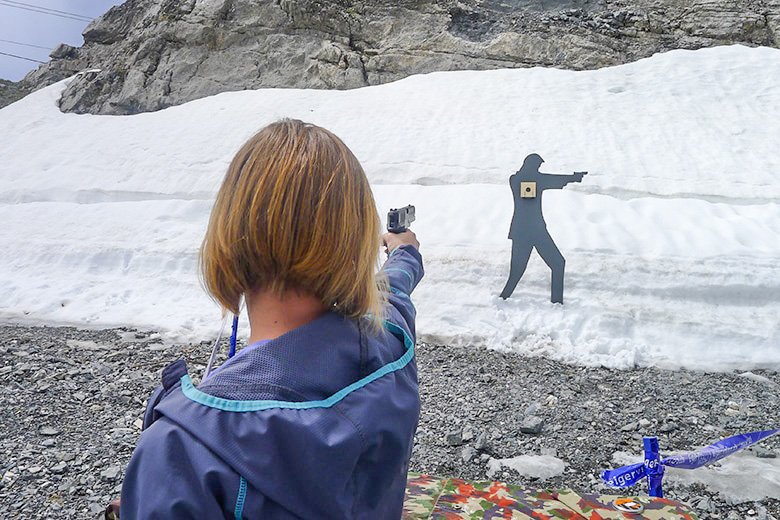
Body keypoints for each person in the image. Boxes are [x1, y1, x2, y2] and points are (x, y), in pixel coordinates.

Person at [118, 119, 424, 519]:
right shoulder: (391, 340)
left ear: (231, 234)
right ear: (355, 239)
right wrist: (405, 251)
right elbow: (394, 289)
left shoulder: (180, 450)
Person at [500, 153, 585, 303]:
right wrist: (572, 177)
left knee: (557, 264)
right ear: (531, 166)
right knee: (519, 271)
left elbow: (548, 178)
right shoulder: (521, 179)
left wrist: (571, 177)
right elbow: (547, 179)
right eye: (537, 166)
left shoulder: (520, 179)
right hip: (528, 232)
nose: (539, 170)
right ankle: (503, 299)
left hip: (531, 231)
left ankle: (556, 302)